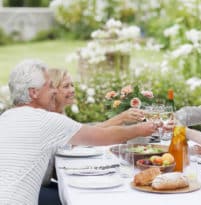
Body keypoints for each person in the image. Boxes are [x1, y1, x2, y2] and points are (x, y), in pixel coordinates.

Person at [0, 59, 157, 205]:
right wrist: (140, 129)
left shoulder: (5, 118)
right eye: (50, 86)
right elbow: (102, 136)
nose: (54, 91)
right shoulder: (45, 121)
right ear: (33, 93)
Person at [48, 68, 145, 125]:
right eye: (66, 86)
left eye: (72, 85)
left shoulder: (60, 112)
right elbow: (84, 135)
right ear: (52, 91)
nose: (72, 90)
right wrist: (121, 118)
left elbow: (83, 131)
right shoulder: (50, 118)